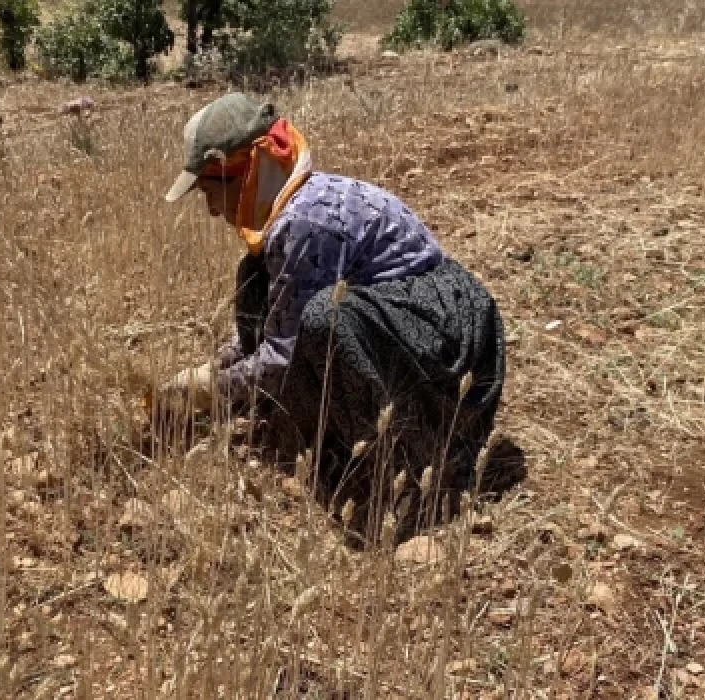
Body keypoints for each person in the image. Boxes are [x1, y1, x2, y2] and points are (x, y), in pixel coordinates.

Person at [159, 92, 506, 515]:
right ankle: (314, 423)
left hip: (441, 334)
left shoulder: (305, 222)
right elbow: (280, 321)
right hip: (398, 314)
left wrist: (209, 390)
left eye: (212, 192)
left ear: (246, 175)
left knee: (327, 318)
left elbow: (282, 354)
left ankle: (400, 459)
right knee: (254, 276)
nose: (212, 210)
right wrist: (215, 367)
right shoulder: (287, 212)